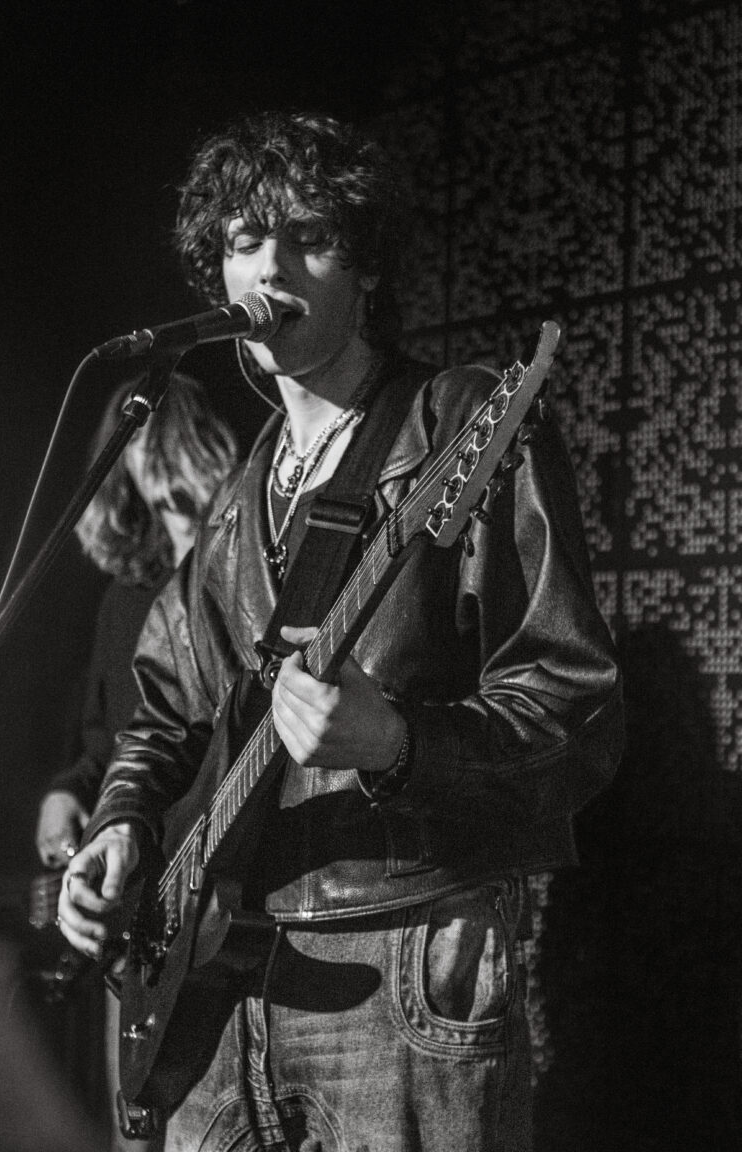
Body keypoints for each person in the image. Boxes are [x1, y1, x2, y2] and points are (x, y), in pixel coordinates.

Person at [57, 111, 624, 1152]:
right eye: (244, 240)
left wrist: (398, 744)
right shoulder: (238, 496)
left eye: (308, 236)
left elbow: (575, 712)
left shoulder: (459, 423)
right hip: (221, 984)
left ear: (365, 271)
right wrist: (122, 824)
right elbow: (162, 714)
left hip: (401, 969)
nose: (270, 266)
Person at [35, 372, 239, 1151]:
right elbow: (107, 741)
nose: (166, 492)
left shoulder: (248, 578)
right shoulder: (128, 599)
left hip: (225, 912)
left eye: (169, 454)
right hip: (141, 921)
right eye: (147, 469)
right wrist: (66, 794)